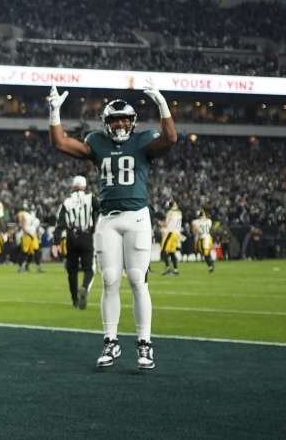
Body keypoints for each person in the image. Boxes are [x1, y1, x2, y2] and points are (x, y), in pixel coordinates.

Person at [48, 80, 177, 371]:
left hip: (137, 218)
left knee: (136, 280)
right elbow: (61, 143)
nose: (119, 124)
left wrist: (163, 105)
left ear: (132, 122)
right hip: (107, 219)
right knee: (108, 280)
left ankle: (145, 344)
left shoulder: (144, 141)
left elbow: (170, 140)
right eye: (114, 119)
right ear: (106, 122)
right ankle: (111, 341)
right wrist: (54, 113)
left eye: (124, 119)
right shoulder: (96, 142)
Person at [56, 176, 96, 308]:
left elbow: (60, 223)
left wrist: (56, 242)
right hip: (86, 235)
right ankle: (84, 287)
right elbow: (101, 212)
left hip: (72, 237)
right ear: (84, 187)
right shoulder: (91, 198)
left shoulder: (66, 202)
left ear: (73, 187)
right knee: (89, 269)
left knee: (72, 271)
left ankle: (74, 300)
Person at [16, 207, 44, 273]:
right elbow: (22, 219)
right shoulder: (28, 215)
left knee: (33, 252)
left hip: (32, 235)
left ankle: (30, 266)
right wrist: (23, 229)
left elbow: (22, 220)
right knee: (26, 252)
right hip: (28, 235)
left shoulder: (34, 218)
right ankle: (21, 267)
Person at [161, 201, 183, 275]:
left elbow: (166, 224)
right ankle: (176, 270)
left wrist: (159, 223)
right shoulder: (179, 213)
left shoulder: (170, 213)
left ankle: (168, 268)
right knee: (171, 252)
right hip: (177, 234)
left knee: (163, 251)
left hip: (171, 233)